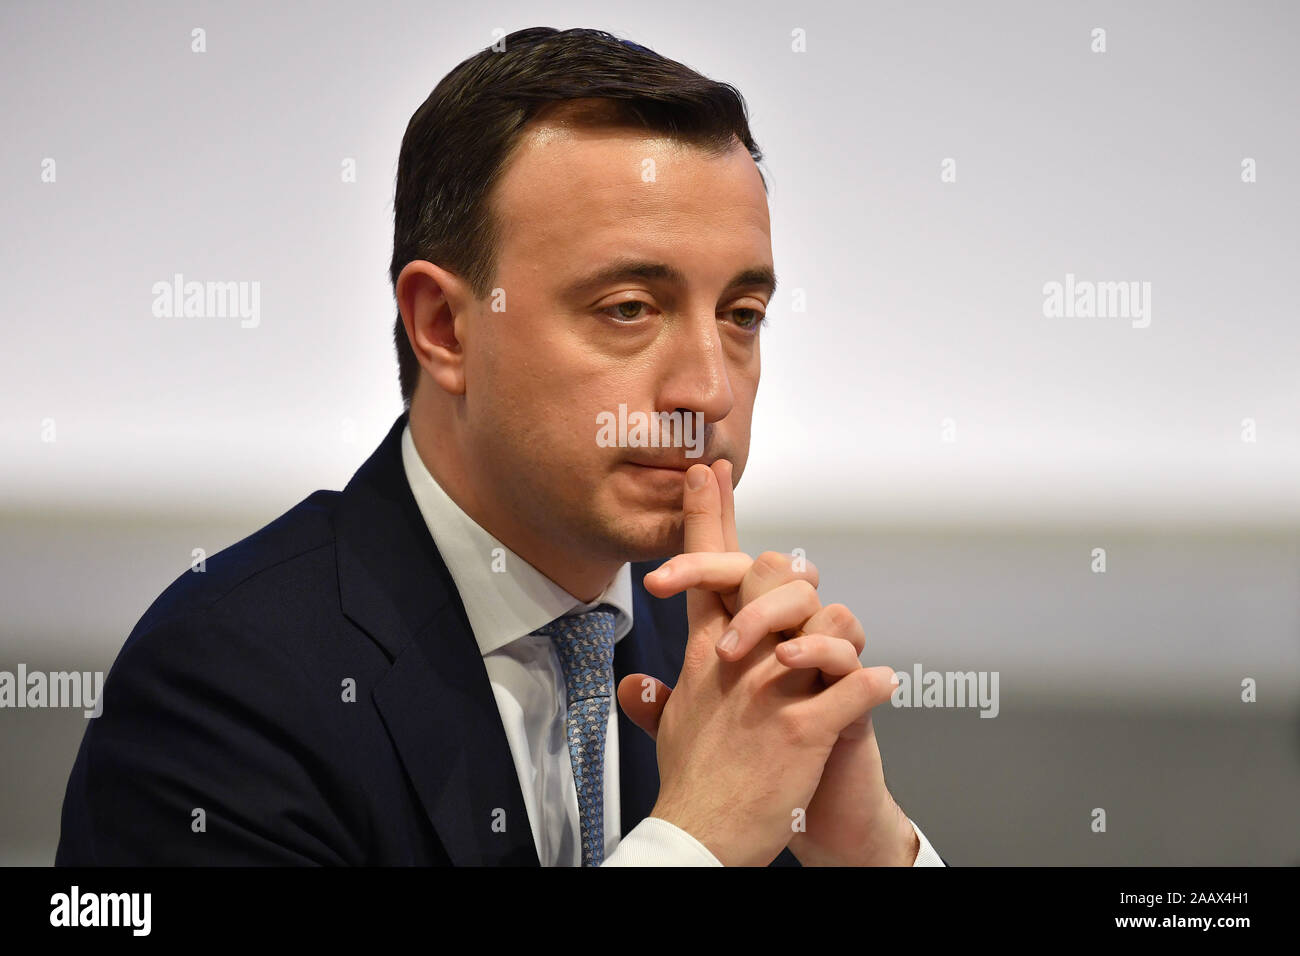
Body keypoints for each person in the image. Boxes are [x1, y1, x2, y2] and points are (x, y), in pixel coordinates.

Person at [56, 26, 946, 867]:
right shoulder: (225, 683)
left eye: (741, 316)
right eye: (630, 308)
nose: (708, 392)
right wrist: (698, 839)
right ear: (444, 326)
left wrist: (867, 849)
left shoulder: (720, 659)